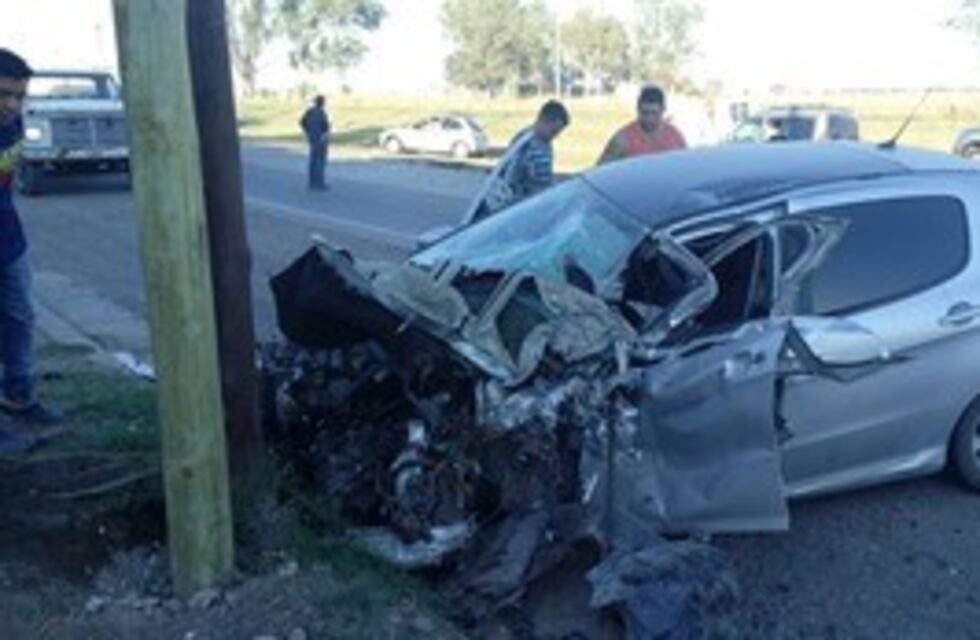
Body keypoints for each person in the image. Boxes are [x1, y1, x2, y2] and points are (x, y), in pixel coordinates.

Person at [0, 49, 60, 427]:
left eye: (19, 95)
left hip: (8, 240)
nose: (11, 103)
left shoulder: (13, 122)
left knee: (20, 317)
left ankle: (19, 397)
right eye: (3, 93)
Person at [464, 100, 570, 225]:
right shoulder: (540, 149)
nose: (554, 137)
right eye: (554, 132)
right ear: (545, 120)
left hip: (493, 201)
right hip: (508, 210)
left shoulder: (524, 135)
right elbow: (542, 187)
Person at [597, 85, 686, 165]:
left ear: (663, 110)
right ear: (638, 109)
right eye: (644, 113)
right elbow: (601, 170)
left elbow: (684, 167)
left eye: (654, 113)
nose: (649, 119)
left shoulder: (675, 138)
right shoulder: (622, 139)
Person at [300, 95, 331, 190]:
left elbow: (302, 122)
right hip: (320, 139)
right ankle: (319, 183)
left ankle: (312, 182)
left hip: (312, 138)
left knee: (313, 160)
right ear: (322, 103)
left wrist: (308, 131)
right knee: (320, 161)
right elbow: (325, 127)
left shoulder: (309, 111)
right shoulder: (322, 113)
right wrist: (325, 136)